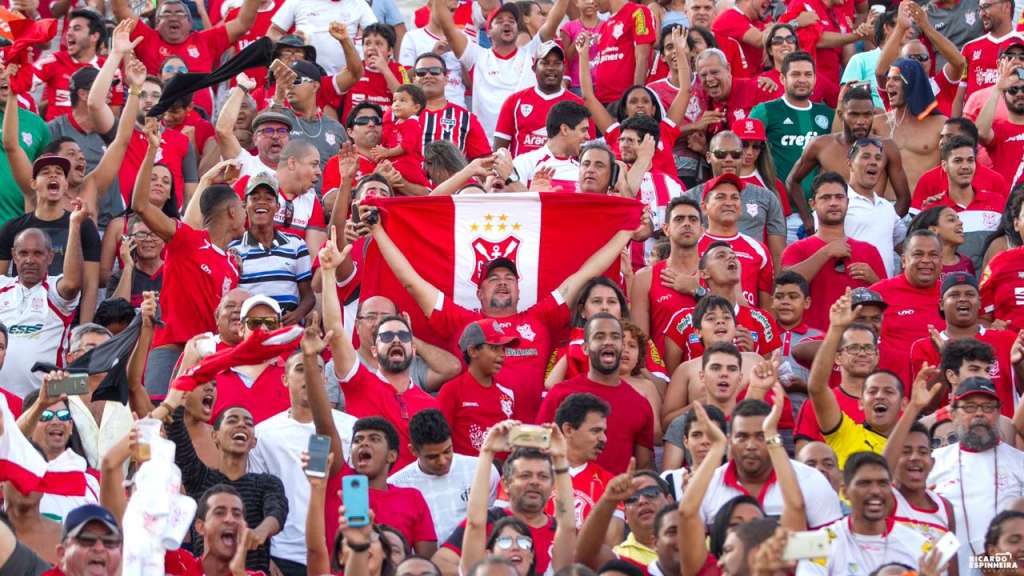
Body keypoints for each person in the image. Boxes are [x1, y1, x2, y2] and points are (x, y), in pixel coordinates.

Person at [370, 203, 635, 419]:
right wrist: (378, 231)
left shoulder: (540, 317)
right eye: (493, 278)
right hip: (473, 439)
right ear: (479, 293)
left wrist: (627, 229)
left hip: (531, 439)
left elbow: (586, 273)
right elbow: (412, 282)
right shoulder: (461, 321)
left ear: (519, 291)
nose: (503, 282)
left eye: (510, 278)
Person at [134, 125, 245, 396]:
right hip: (171, 351)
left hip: (209, 356)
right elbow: (140, 206)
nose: (246, 215)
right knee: (158, 422)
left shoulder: (232, 264)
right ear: (231, 212)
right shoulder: (187, 242)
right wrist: (151, 151)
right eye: (242, 208)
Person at [320, 229, 440, 469]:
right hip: (360, 497)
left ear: (413, 348)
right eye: (387, 336)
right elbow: (334, 329)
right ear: (374, 350)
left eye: (402, 335)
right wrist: (327, 272)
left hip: (409, 500)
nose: (396, 340)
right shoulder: (360, 383)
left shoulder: (431, 406)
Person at [247, 334, 357, 575]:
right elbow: (255, 497)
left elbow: (357, 485)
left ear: (325, 378)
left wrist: (357, 543)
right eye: (301, 368)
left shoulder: (351, 427)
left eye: (316, 368)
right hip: (284, 553)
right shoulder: (263, 434)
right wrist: (262, 557)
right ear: (285, 379)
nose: (309, 373)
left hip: (339, 550)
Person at [151, 383, 288, 573]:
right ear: (215, 436)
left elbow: (277, 511)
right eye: (232, 420)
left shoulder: (267, 483)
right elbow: (174, 422)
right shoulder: (199, 477)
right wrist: (188, 375)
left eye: (248, 423)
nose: (241, 424)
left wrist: (260, 532)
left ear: (254, 441)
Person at [928, 377, 1024, 576]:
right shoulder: (932, 463)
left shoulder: (1019, 462)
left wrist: (1004, 565)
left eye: (988, 407)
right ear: (953, 414)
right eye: (970, 407)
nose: (980, 413)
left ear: (998, 413)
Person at [537, 314, 655, 473]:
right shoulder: (561, 394)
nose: (608, 342)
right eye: (599, 336)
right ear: (585, 348)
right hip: (566, 494)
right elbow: (539, 449)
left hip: (617, 496)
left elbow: (644, 467)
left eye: (615, 337)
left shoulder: (640, 404)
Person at [699, 399, 842, 529]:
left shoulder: (811, 480)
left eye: (761, 437)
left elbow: (831, 548)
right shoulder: (708, 485)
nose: (751, 446)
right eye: (742, 437)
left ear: (774, 438)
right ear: (729, 441)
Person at [786, 86, 910, 234]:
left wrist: (885, 224)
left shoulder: (887, 147)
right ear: (840, 114)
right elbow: (793, 180)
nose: (861, 121)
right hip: (830, 231)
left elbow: (904, 198)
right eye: (854, 115)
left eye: (867, 115)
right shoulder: (821, 145)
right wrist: (807, 219)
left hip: (872, 229)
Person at [807, 289, 909, 467]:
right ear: (861, 402)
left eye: (868, 349)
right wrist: (836, 328)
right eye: (854, 348)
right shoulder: (846, 433)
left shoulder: (905, 435)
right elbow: (816, 387)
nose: (862, 354)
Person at [460, 422, 576, 576]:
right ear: (487, 554)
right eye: (505, 542)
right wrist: (487, 451)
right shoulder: (478, 571)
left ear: (532, 556)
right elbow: (475, 524)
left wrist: (561, 458)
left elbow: (567, 528)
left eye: (524, 543)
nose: (516, 548)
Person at [781, 171, 888, 331]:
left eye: (839, 197)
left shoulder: (869, 251)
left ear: (847, 202)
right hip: (810, 344)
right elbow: (785, 287)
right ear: (812, 203)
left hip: (856, 345)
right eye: (825, 197)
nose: (833, 203)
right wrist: (826, 253)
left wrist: (874, 279)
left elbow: (887, 302)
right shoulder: (797, 249)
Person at [0, 203, 85, 398]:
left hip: (46, 402)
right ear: (14, 255)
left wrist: (74, 224)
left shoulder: (56, 291)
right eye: (23, 253)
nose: (29, 260)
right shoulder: (2, 287)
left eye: (37, 253)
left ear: (50, 256)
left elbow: (73, 283)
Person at [433, 447, 561, 576]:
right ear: (505, 484)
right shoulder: (487, 521)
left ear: (553, 485)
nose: (534, 482)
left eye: (543, 476)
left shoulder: (562, 532)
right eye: (525, 475)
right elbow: (440, 564)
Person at [750, 51, 836, 240]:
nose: (802, 80)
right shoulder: (766, 111)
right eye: (795, 74)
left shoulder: (827, 115)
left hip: (820, 213)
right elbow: (745, 151)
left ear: (815, 78)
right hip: (781, 214)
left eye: (808, 74)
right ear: (782, 78)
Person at [909, 271, 1023, 415]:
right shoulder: (925, 346)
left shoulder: (1007, 339)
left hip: (1001, 433)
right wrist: (946, 360)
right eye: (954, 295)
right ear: (942, 304)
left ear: (980, 302)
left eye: (970, 294)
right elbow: (925, 405)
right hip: (947, 434)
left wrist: (1019, 366)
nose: (963, 299)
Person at [798, 452, 930, 575]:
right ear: (845, 492)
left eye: (883, 483)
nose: (875, 491)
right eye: (865, 483)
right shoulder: (817, 543)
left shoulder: (921, 547)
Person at [390, 409, 500, 544]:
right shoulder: (398, 485)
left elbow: (494, 523)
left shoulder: (482, 470)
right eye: (432, 457)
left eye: (447, 451)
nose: (442, 461)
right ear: (413, 450)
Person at [683, 132, 786, 269]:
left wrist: (776, 287)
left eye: (735, 154)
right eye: (721, 154)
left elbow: (778, 255)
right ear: (708, 157)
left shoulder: (767, 197)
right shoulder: (688, 198)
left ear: (742, 157)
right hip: (703, 277)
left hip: (752, 277)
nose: (729, 159)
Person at [228, 174, 315, 323]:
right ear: (244, 206)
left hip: (288, 331)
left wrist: (298, 314)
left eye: (268, 198)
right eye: (254, 198)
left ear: (277, 207)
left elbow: (308, 295)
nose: (261, 202)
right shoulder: (232, 250)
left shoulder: (296, 244)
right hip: (251, 331)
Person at [630, 197, 702, 356]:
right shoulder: (644, 278)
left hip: (713, 373)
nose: (687, 223)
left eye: (693, 219)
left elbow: (735, 316)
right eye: (679, 219)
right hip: (664, 376)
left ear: (702, 229)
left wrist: (698, 291)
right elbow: (640, 342)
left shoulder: (717, 271)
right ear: (666, 229)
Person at [870, 230, 946, 382]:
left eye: (933, 255)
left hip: (942, 387)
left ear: (941, 261)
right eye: (918, 254)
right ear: (904, 260)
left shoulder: (952, 296)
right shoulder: (878, 294)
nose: (926, 260)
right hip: (893, 390)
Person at [438, 319, 521, 454]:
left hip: (502, 474)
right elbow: (440, 440)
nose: (502, 354)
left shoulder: (508, 394)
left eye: (503, 349)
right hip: (466, 473)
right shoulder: (451, 391)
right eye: (494, 348)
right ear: (473, 351)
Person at [693, 172, 775, 307]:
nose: (729, 203)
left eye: (734, 198)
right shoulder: (692, 246)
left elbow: (766, 309)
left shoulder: (759, 249)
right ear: (704, 207)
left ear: (741, 207)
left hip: (748, 326)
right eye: (721, 197)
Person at [871, 57, 948, 194]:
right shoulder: (877, 124)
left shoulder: (941, 125)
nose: (888, 84)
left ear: (912, 83)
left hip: (924, 208)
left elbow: (953, 169)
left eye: (896, 79)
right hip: (889, 208)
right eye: (888, 79)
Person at [494, 42, 586, 156]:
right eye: (545, 63)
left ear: (564, 68)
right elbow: (499, 151)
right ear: (534, 68)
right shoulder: (514, 101)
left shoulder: (578, 105)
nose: (551, 68)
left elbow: (585, 151)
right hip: (522, 172)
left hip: (563, 172)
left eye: (557, 63)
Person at [844, 137, 908, 278]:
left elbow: (904, 245)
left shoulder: (886, 207)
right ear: (850, 164)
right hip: (849, 289)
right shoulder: (837, 202)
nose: (873, 162)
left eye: (878, 158)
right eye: (865, 156)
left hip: (882, 292)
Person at [411, 53, 492, 161]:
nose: (428, 76)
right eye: (421, 72)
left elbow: (483, 161)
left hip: (455, 177)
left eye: (435, 71)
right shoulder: (397, 114)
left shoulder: (465, 118)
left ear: (446, 78)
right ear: (414, 80)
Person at [268, 0, 376, 76]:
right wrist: (292, 41)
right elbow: (273, 33)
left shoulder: (359, 3)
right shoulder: (297, 1)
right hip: (303, 79)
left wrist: (360, 56)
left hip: (345, 78)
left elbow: (376, 36)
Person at [0, 63, 51, 224]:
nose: (5, 75)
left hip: (21, 228)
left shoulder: (37, 124)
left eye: (11, 69)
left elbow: (44, 172)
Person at [509, 101, 592, 192]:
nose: (588, 136)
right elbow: (514, 203)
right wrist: (536, 196)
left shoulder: (581, 170)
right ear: (564, 129)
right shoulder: (524, 163)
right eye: (583, 130)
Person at [590, 0, 656, 105]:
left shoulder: (639, 12)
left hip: (624, 101)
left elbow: (643, 57)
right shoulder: (604, 26)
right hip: (601, 102)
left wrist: (636, 98)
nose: (592, 2)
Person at [660, 403, 728, 495]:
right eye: (696, 435)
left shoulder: (737, 480)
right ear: (686, 441)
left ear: (725, 441)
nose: (704, 441)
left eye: (712, 435)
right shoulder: (669, 480)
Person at [978, 60, 1024, 192]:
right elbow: (980, 133)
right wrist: (998, 88)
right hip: (1006, 207)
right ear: (1004, 96)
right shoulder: (998, 128)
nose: (1020, 94)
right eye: (1013, 90)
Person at [107, 216, 164, 308]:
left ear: (164, 241)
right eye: (141, 234)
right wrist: (128, 267)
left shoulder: (176, 273)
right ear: (130, 241)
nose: (148, 239)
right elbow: (115, 316)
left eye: (155, 234)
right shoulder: (118, 277)